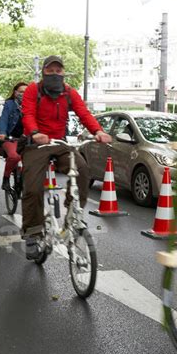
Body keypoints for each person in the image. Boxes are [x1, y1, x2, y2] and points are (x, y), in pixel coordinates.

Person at [21, 55, 111, 260]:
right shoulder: (33, 90)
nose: (54, 74)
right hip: (37, 143)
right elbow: (27, 114)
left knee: (82, 169)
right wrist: (35, 133)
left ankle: (73, 212)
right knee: (33, 187)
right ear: (43, 72)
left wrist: (98, 131)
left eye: (58, 71)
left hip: (60, 143)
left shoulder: (69, 92)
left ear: (63, 73)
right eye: (50, 71)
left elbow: (84, 113)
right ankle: (32, 234)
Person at [0, 81, 28, 191]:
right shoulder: (9, 104)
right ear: (15, 93)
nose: (23, 94)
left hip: (26, 139)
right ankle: (6, 178)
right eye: (21, 92)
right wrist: (2, 133)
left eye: (26, 92)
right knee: (14, 157)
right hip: (10, 138)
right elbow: (4, 119)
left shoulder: (31, 104)